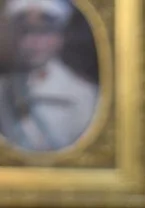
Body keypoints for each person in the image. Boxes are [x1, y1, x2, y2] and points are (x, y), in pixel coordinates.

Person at [0, 0, 98, 152]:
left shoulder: (82, 93)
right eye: (25, 31)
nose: (33, 42)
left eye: (44, 31)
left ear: (61, 36)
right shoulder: (4, 89)